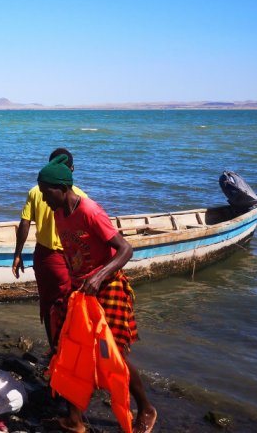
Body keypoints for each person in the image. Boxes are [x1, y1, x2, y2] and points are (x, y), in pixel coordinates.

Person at [38, 154, 157, 433]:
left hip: (108, 285)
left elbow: (126, 249)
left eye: (47, 193)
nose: (44, 199)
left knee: (112, 353)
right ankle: (74, 420)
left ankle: (146, 407)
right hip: (82, 291)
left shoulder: (90, 211)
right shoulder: (58, 214)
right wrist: (71, 289)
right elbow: (72, 256)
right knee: (70, 350)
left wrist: (99, 276)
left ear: (63, 189)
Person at [12, 148, 87, 347]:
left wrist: (17, 254)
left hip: (43, 255)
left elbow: (25, 223)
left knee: (47, 303)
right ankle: (63, 349)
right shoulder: (80, 196)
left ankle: (54, 347)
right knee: (67, 304)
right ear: (71, 169)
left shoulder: (36, 191)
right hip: (67, 258)